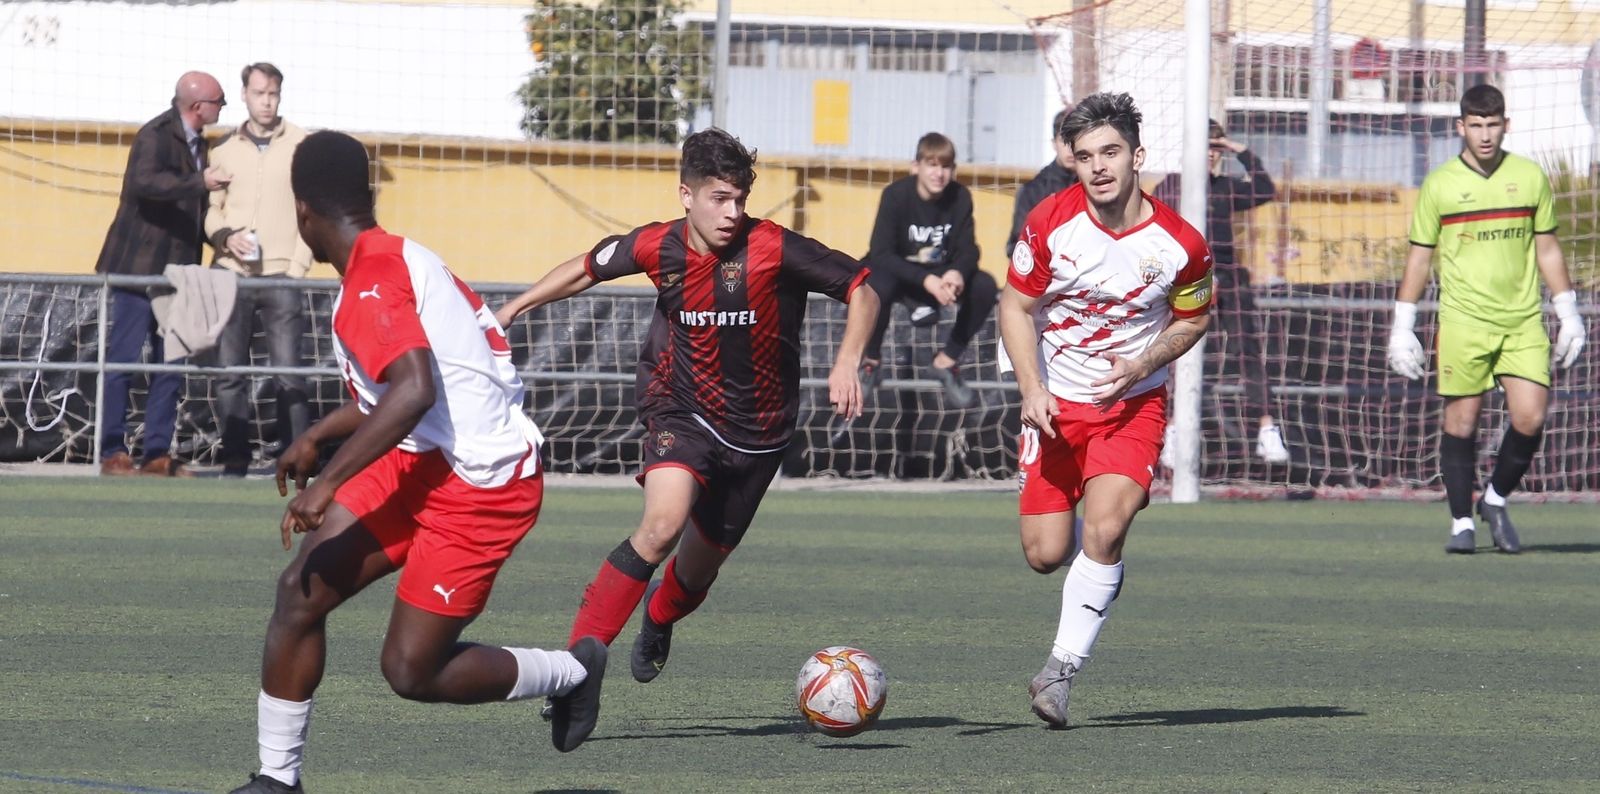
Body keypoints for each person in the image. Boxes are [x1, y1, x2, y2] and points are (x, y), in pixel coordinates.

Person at [228, 131, 604, 794]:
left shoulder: (374, 279)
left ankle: (571, 671)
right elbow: (401, 395)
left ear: (304, 211)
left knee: (410, 671)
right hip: (420, 458)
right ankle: (277, 782)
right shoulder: (389, 261)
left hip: (482, 487)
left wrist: (329, 483)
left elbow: (414, 390)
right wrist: (317, 434)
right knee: (299, 594)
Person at [495, 127, 878, 692]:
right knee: (661, 525)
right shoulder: (659, 246)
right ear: (686, 195)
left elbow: (862, 286)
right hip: (681, 409)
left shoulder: (774, 247)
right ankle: (573, 675)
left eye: (740, 200)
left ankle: (658, 615)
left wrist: (847, 359)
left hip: (760, 433)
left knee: (697, 571)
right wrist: (514, 308)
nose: (732, 213)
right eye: (719, 199)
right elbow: (587, 266)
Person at [998, 93, 1213, 728]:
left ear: (1137, 156)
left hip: (1131, 409)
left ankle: (1059, 674)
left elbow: (1194, 315)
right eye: (1085, 155)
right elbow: (1014, 307)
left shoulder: (1181, 244)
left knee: (1107, 529)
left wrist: (1143, 366)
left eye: (1111, 152)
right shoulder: (1049, 222)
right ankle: (1086, 579)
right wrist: (1031, 389)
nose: (1098, 167)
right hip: (1053, 410)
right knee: (1044, 554)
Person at [1388, 84, 1585, 555]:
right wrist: (1402, 325)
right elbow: (1419, 259)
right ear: (1461, 127)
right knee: (1461, 423)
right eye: (1475, 125)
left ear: (1506, 125)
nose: (1484, 134)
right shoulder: (1440, 184)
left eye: (1492, 124)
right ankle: (1461, 522)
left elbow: (1547, 247)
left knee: (1531, 416)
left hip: (1521, 321)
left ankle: (1494, 499)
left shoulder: (1529, 177)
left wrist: (1568, 311)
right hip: (1462, 322)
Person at [94, 71, 232, 477]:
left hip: (178, 272)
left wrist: (224, 236)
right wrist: (198, 181)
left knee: (170, 363)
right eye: (219, 102)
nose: (222, 109)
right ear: (197, 106)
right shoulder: (155, 134)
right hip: (138, 268)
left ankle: (157, 453)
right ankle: (112, 452)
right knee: (122, 361)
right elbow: (144, 183)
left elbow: (199, 208)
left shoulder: (201, 145)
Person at [1152, 119, 1286, 463]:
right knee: (1176, 352)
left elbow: (1265, 189)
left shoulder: (1226, 186)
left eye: (1216, 148)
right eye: (1206, 147)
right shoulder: (1171, 188)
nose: (1211, 155)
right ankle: (1173, 430)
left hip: (1228, 276)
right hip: (1186, 277)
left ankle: (1266, 429)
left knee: (1248, 350)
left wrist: (1239, 150)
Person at [206, 62, 314, 477]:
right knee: (229, 372)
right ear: (245, 95)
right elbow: (210, 211)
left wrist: (298, 265)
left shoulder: (302, 145)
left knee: (289, 372)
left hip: (283, 276)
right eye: (259, 94)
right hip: (232, 274)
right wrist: (225, 237)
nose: (266, 101)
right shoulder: (224, 149)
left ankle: (295, 459)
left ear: (280, 96)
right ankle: (235, 459)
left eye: (273, 94)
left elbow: (311, 210)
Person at [857, 132, 995, 408]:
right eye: (932, 165)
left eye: (945, 166)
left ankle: (946, 361)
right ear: (915, 166)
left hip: (940, 275)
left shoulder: (960, 197)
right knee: (874, 283)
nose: (939, 173)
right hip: (901, 273)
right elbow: (881, 253)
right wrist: (926, 280)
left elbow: (969, 249)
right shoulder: (895, 196)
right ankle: (870, 361)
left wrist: (956, 272)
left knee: (985, 285)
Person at [1006, 107, 1079, 258]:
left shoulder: (1095, 186)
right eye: (1064, 141)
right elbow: (1017, 245)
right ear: (1054, 143)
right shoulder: (1033, 190)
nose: (1070, 149)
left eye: (1076, 140)